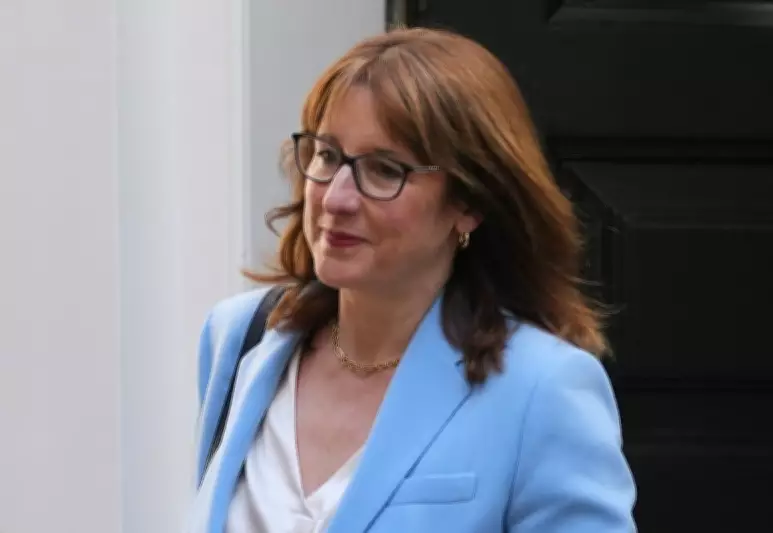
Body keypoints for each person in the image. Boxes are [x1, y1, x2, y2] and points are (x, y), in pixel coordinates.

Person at [186, 27, 637, 533]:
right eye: (327, 155)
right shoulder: (241, 338)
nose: (336, 198)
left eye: (384, 170)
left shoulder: (543, 388)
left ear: (468, 204)